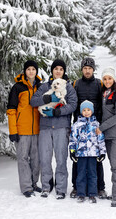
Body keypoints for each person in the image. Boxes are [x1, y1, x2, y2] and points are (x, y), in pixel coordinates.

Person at [30, 59, 77, 199]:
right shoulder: (45, 86)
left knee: (61, 158)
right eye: (56, 68)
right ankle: (46, 185)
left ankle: (61, 188)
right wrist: (47, 99)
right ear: (52, 71)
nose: (58, 71)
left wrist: (58, 112)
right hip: (45, 127)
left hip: (61, 127)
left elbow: (73, 105)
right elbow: (33, 101)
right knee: (45, 158)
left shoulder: (68, 88)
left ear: (64, 72)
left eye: (61, 69)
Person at [70, 57, 108, 199]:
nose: (87, 71)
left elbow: (103, 102)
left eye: (90, 68)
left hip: (95, 125)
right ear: (82, 69)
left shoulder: (99, 83)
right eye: (85, 68)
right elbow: (73, 103)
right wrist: (74, 123)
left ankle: (100, 187)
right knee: (78, 159)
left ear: (93, 70)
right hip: (79, 125)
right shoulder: (76, 84)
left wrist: (101, 124)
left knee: (96, 158)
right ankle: (76, 187)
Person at [6, 60, 43, 198]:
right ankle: (26, 187)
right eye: (29, 69)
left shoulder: (40, 87)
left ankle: (34, 183)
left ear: (36, 71)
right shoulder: (18, 87)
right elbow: (11, 110)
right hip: (22, 130)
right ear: (25, 71)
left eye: (33, 69)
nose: (31, 72)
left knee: (36, 159)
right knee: (23, 158)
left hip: (38, 130)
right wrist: (13, 131)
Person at [96, 66, 116, 207]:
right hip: (108, 134)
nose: (107, 81)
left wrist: (101, 128)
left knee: (115, 165)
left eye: (109, 78)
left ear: (114, 79)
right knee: (114, 163)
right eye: (105, 78)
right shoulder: (105, 93)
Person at [69, 100, 106, 203]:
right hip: (81, 154)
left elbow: (100, 139)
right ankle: (81, 193)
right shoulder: (77, 124)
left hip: (93, 153)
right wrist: (72, 151)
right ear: (81, 111)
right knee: (80, 174)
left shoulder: (96, 124)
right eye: (84, 110)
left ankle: (92, 193)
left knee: (92, 174)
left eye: (88, 110)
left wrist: (102, 152)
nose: (86, 112)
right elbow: (73, 138)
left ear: (92, 111)